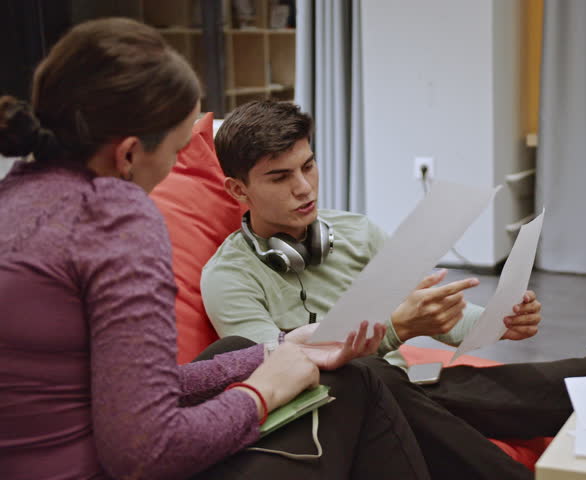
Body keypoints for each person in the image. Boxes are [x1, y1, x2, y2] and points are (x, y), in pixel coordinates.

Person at [0, 18, 431, 480]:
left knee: (243, 350)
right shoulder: (116, 219)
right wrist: (262, 393)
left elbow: (128, 388)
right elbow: (147, 452)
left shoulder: (16, 195)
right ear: (127, 155)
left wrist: (277, 350)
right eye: (177, 151)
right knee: (353, 380)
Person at [200, 100, 586, 480]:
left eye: (308, 166)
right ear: (238, 190)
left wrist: (499, 321)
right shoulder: (228, 278)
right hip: (335, 408)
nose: (304, 188)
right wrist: (395, 330)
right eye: (281, 177)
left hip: (409, 386)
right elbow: (280, 376)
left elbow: (435, 314)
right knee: (371, 373)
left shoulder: (356, 232)